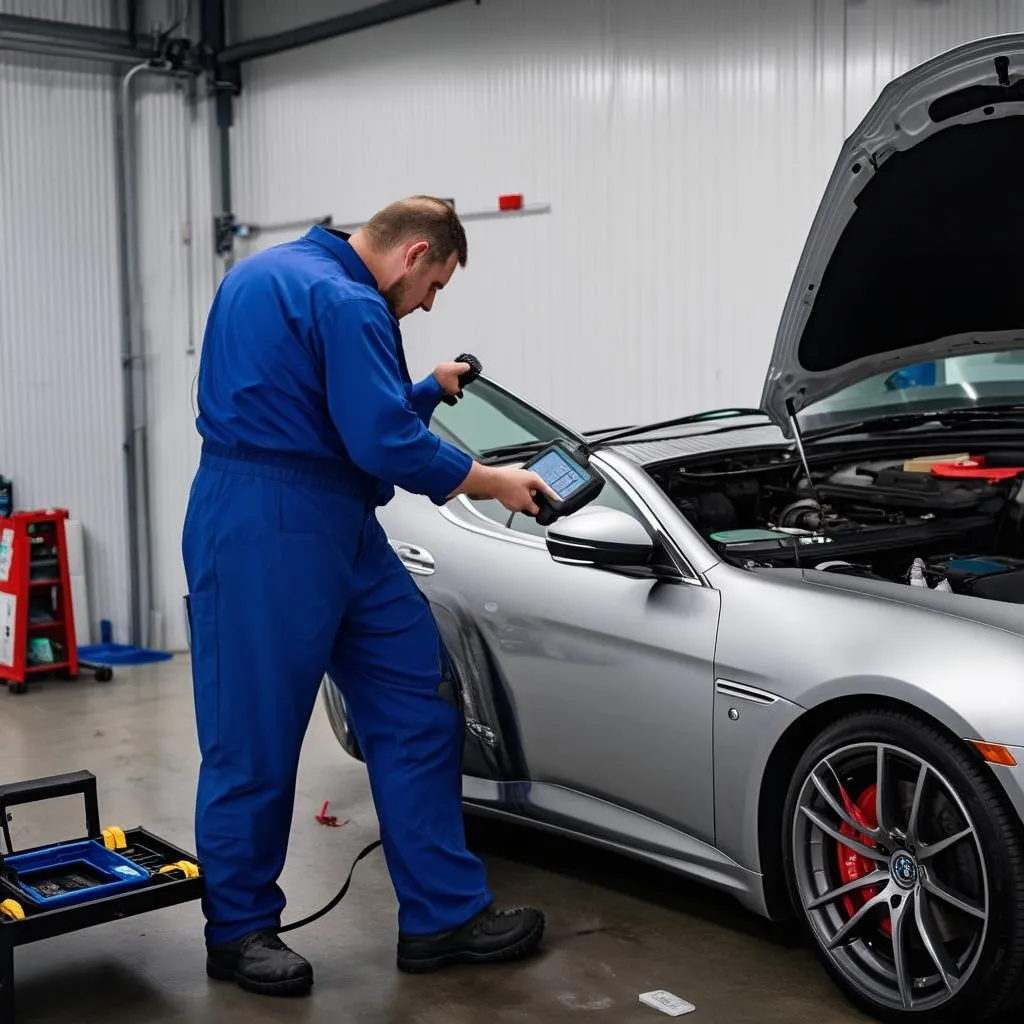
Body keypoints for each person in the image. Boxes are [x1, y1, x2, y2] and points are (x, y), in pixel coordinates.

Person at [182, 196, 556, 997]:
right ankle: (239, 928)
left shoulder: (273, 274)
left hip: (334, 518)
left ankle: (441, 915)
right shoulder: (350, 300)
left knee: (415, 701)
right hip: (267, 521)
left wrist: (425, 388)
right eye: (435, 286)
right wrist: (494, 483)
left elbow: (331, 409)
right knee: (253, 731)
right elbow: (378, 440)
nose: (427, 303)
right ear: (415, 252)